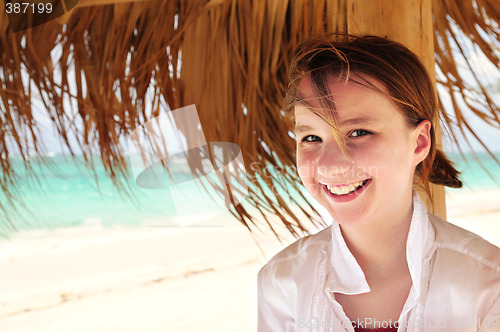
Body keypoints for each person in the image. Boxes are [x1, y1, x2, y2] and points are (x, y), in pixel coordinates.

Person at [257, 34, 500, 332]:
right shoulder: (282, 283)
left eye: (359, 132)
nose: (331, 165)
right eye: (311, 138)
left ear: (419, 143)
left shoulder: (488, 284)